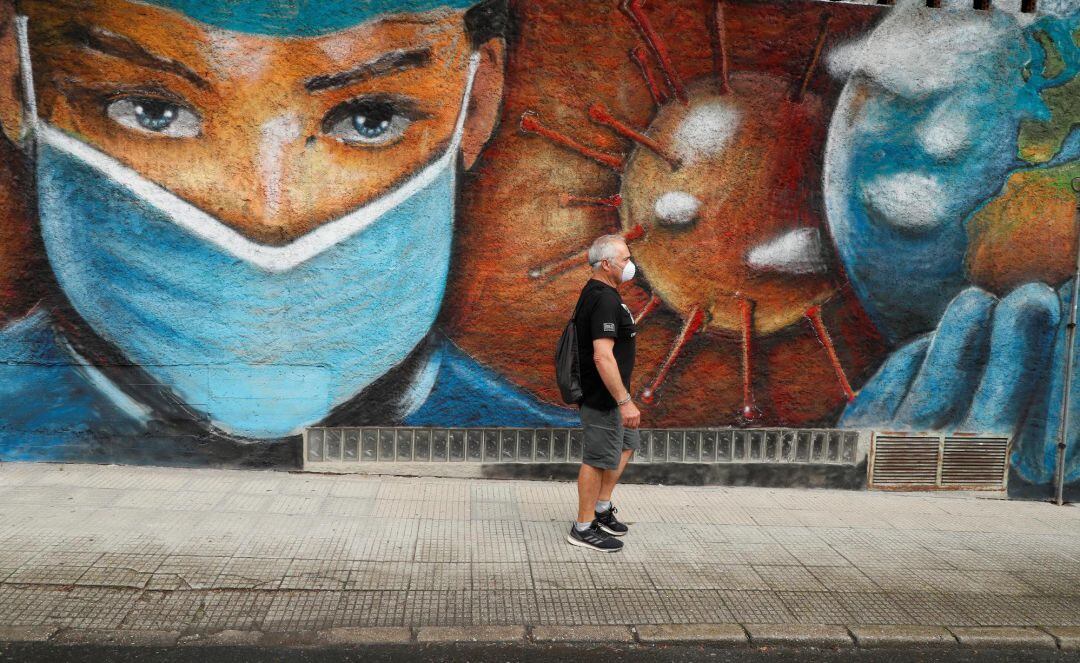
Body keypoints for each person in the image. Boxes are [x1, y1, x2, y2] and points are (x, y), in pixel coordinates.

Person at [0, 0, 578, 465]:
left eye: (370, 119)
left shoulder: (534, 450)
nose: (269, 217)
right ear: (17, 83)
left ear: (476, 105)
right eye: (153, 111)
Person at [567, 234, 640, 552]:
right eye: (625, 259)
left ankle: (600, 507)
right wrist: (624, 401)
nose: (630, 265)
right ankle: (582, 527)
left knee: (626, 445)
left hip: (611, 394)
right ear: (607, 264)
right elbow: (602, 356)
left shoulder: (603, 293)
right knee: (597, 459)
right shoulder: (604, 299)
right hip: (603, 397)